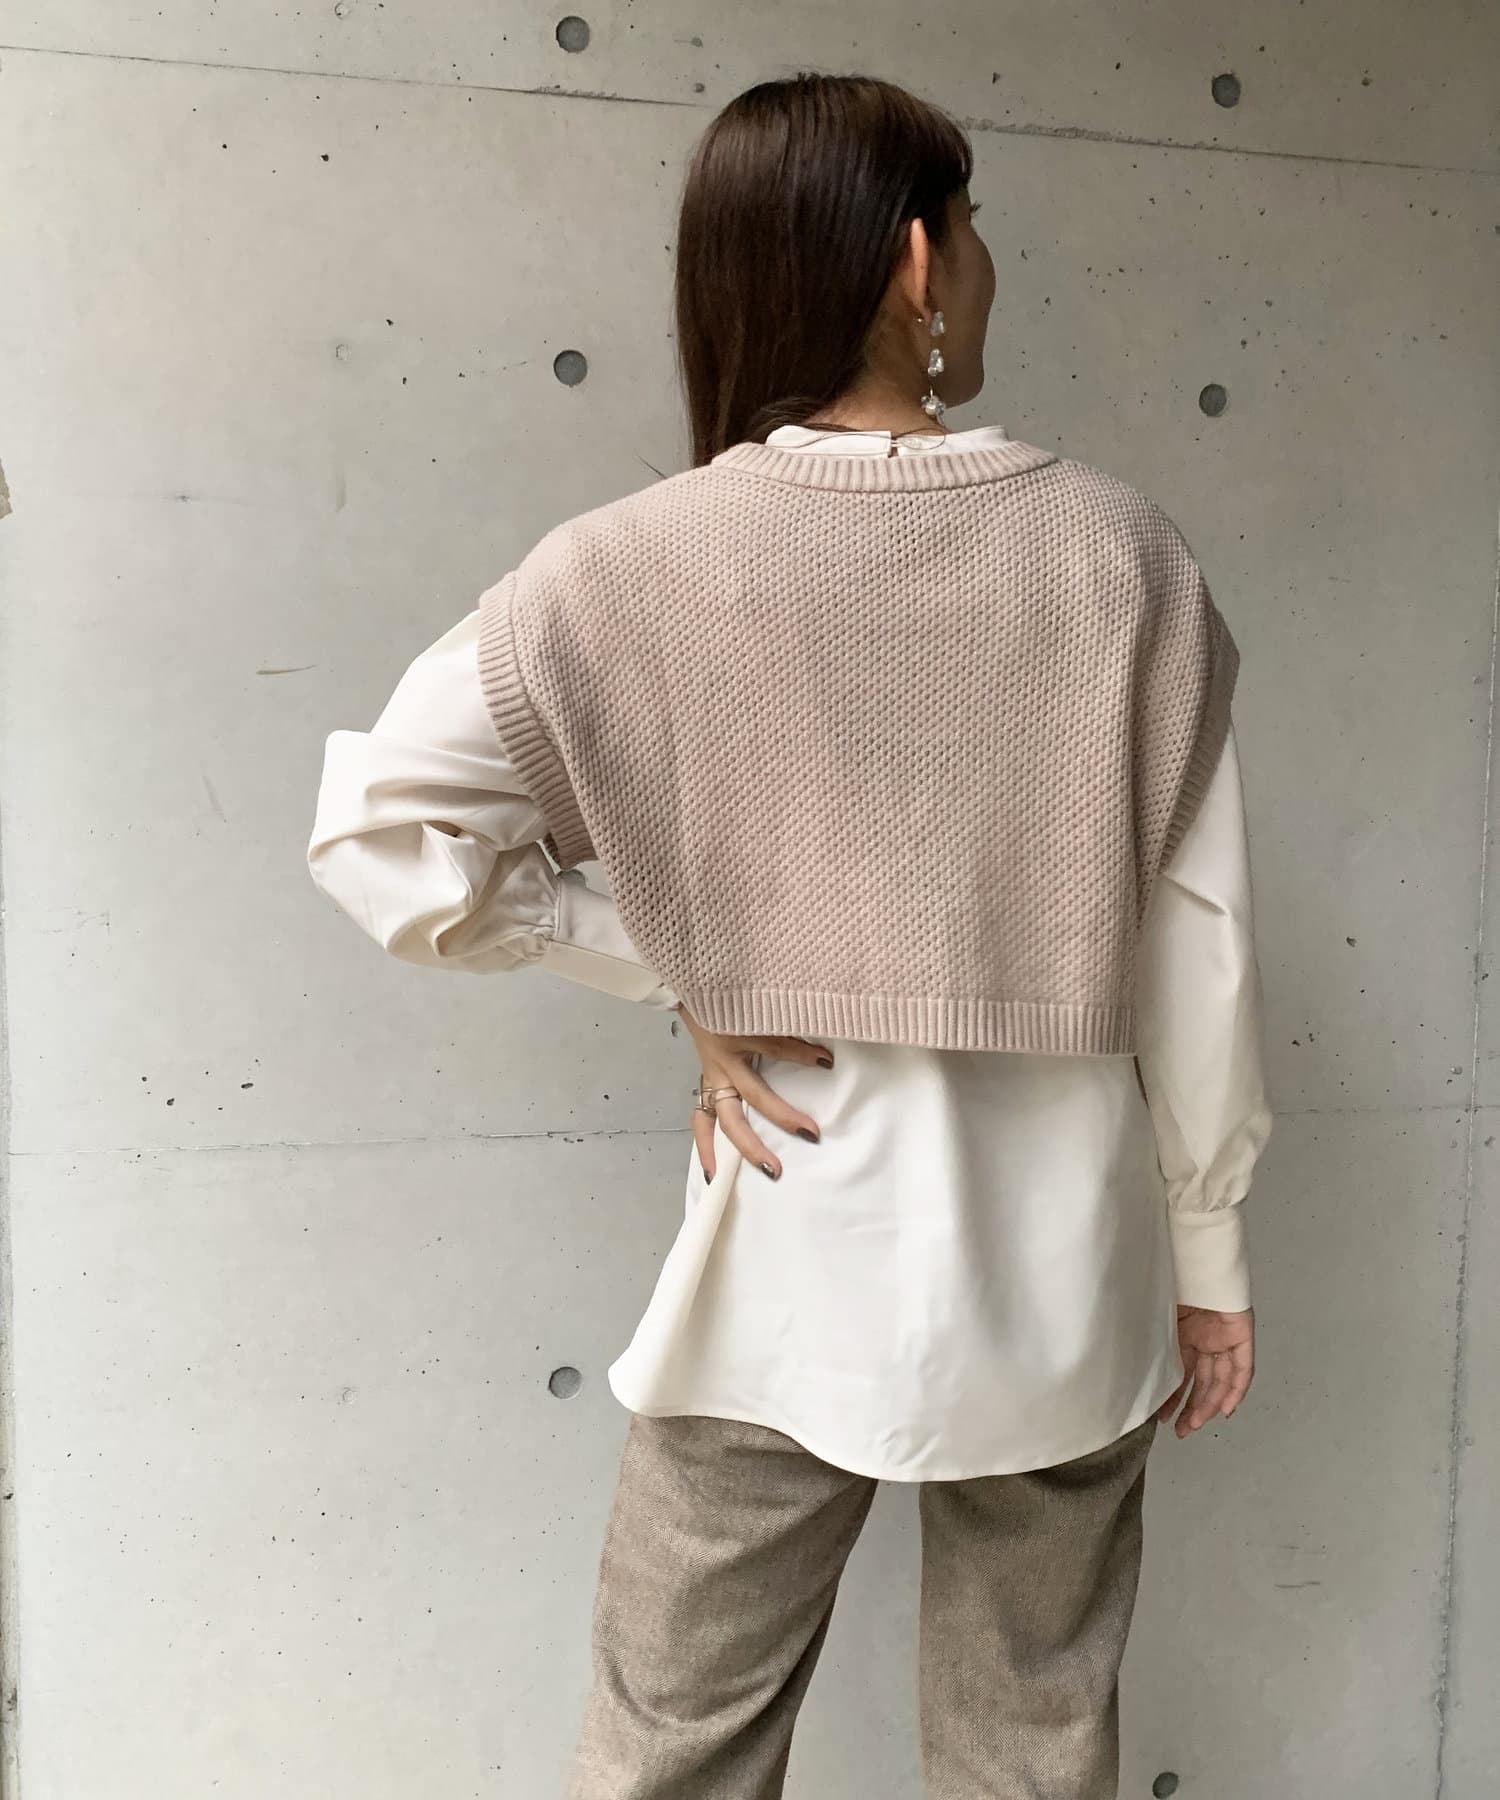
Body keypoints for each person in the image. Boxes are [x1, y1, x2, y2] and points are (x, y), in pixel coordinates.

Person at [307, 70, 1272, 1800]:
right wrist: (1207, 1251)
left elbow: (379, 836)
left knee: (670, 1747)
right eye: (973, 227)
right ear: (916, 258)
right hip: (1064, 1266)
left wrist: (682, 964)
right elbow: (1198, 942)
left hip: (787, 1244)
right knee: (1033, 1747)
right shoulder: (1123, 559)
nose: (983, 263)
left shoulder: (623, 567)